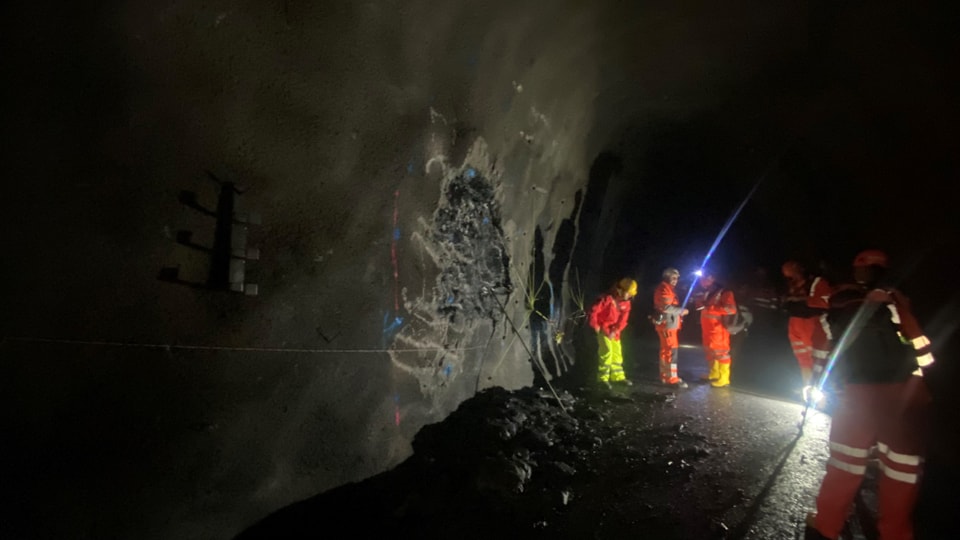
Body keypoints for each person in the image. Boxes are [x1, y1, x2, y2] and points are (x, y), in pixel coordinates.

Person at [805, 249, 934, 540]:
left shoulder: (841, 304)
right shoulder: (901, 302)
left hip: (856, 395)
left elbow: (821, 350)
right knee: (902, 469)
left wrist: (821, 382)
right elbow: (924, 351)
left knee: (845, 464)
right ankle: (896, 533)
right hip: (906, 394)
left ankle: (827, 524)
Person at [781, 260, 832, 399]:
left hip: (812, 322)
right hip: (795, 322)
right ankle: (808, 390)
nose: (792, 278)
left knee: (815, 359)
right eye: (789, 276)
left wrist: (801, 300)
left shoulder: (817, 282)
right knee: (802, 359)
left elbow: (825, 301)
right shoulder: (792, 284)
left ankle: (820, 393)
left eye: (793, 274)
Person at [588, 278, 637, 389]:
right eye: (628, 293)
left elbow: (623, 320)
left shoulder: (626, 303)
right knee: (606, 352)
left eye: (631, 294)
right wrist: (595, 325)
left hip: (614, 332)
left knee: (617, 354)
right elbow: (593, 311)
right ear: (620, 290)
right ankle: (602, 379)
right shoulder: (606, 299)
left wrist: (615, 331)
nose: (629, 295)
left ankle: (618, 377)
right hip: (603, 329)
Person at [692, 272, 737, 387]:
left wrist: (710, 308)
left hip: (718, 329)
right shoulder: (708, 291)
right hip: (708, 328)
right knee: (710, 352)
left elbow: (731, 310)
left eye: (705, 278)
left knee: (721, 353)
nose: (702, 281)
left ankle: (724, 378)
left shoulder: (725, 292)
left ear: (713, 278)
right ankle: (714, 373)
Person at [653, 268, 689, 387]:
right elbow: (666, 307)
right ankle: (672, 379)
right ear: (667, 277)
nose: (676, 280)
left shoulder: (667, 289)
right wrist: (681, 311)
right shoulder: (664, 289)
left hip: (667, 324)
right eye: (673, 278)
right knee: (671, 351)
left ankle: (665, 376)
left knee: (665, 351)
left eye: (677, 278)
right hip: (668, 325)